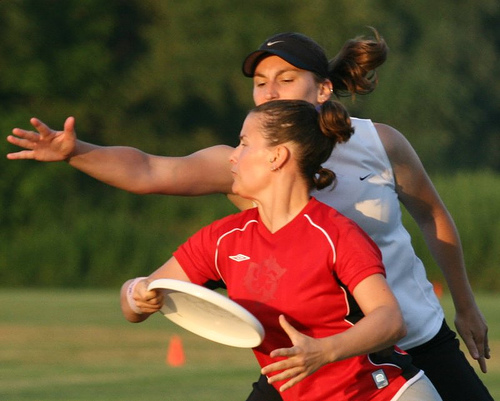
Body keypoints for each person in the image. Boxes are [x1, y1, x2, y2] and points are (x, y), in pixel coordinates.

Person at [6, 30, 492, 401]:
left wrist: (466, 305)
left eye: (286, 79)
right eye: (261, 83)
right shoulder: (248, 162)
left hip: (410, 335)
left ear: (323, 88)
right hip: (303, 356)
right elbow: (149, 169)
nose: (270, 92)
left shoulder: (380, 142)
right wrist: (76, 152)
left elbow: (432, 216)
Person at [121, 99, 442, 400]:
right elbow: (136, 299)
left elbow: (390, 320)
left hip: (383, 393)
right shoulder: (223, 239)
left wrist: (325, 351)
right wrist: (137, 294)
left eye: (244, 144)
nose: (232, 156)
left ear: (277, 156)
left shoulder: (336, 234)